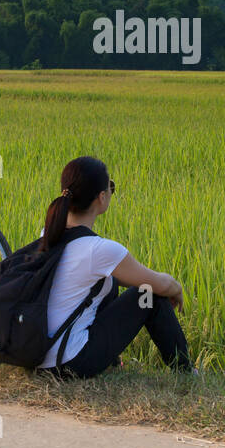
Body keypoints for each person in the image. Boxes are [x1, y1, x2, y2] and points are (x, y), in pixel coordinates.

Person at [35, 156, 192, 378]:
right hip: (70, 364)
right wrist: (177, 289)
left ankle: (112, 362)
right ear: (101, 197)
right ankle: (186, 371)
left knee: (108, 283)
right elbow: (159, 285)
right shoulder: (99, 250)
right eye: (111, 188)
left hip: (36, 356)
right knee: (148, 293)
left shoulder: (49, 233)